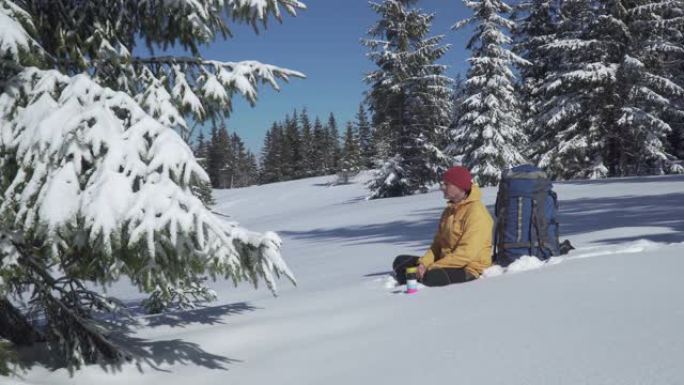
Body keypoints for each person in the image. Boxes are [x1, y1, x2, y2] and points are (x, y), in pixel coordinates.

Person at [392, 166, 494, 287]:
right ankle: (413, 275)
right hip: (446, 262)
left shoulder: (476, 213)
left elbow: (466, 254)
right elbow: (437, 245)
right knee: (400, 261)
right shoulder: (449, 210)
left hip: (469, 267)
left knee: (431, 276)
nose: (442, 188)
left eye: (447, 184)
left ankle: (411, 277)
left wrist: (432, 266)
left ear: (459, 186)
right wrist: (424, 264)